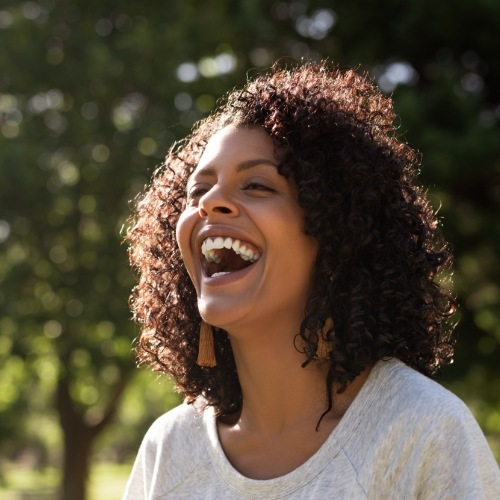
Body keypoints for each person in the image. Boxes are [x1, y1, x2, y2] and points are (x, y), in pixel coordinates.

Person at [123, 61, 500, 499]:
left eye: (257, 186)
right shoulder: (170, 448)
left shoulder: (422, 432)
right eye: (197, 191)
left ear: (336, 231)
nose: (210, 203)